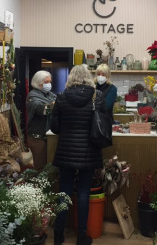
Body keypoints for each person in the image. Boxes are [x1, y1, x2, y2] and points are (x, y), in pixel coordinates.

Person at [51, 65, 106, 245]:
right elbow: (105, 124)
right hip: (88, 152)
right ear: (89, 77)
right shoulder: (97, 97)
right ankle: (82, 236)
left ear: (71, 77)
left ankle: (58, 235)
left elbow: (55, 127)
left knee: (64, 192)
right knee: (83, 193)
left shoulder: (61, 97)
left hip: (66, 150)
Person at [26, 70, 56, 171]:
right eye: (46, 82)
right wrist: (56, 104)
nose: (49, 84)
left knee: (50, 167)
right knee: (40, 168)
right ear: (38, 83)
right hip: (38, 138)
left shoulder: (49, 94)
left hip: (49, 137)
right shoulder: (32, 96)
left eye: (50, 82)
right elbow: (43, 110)